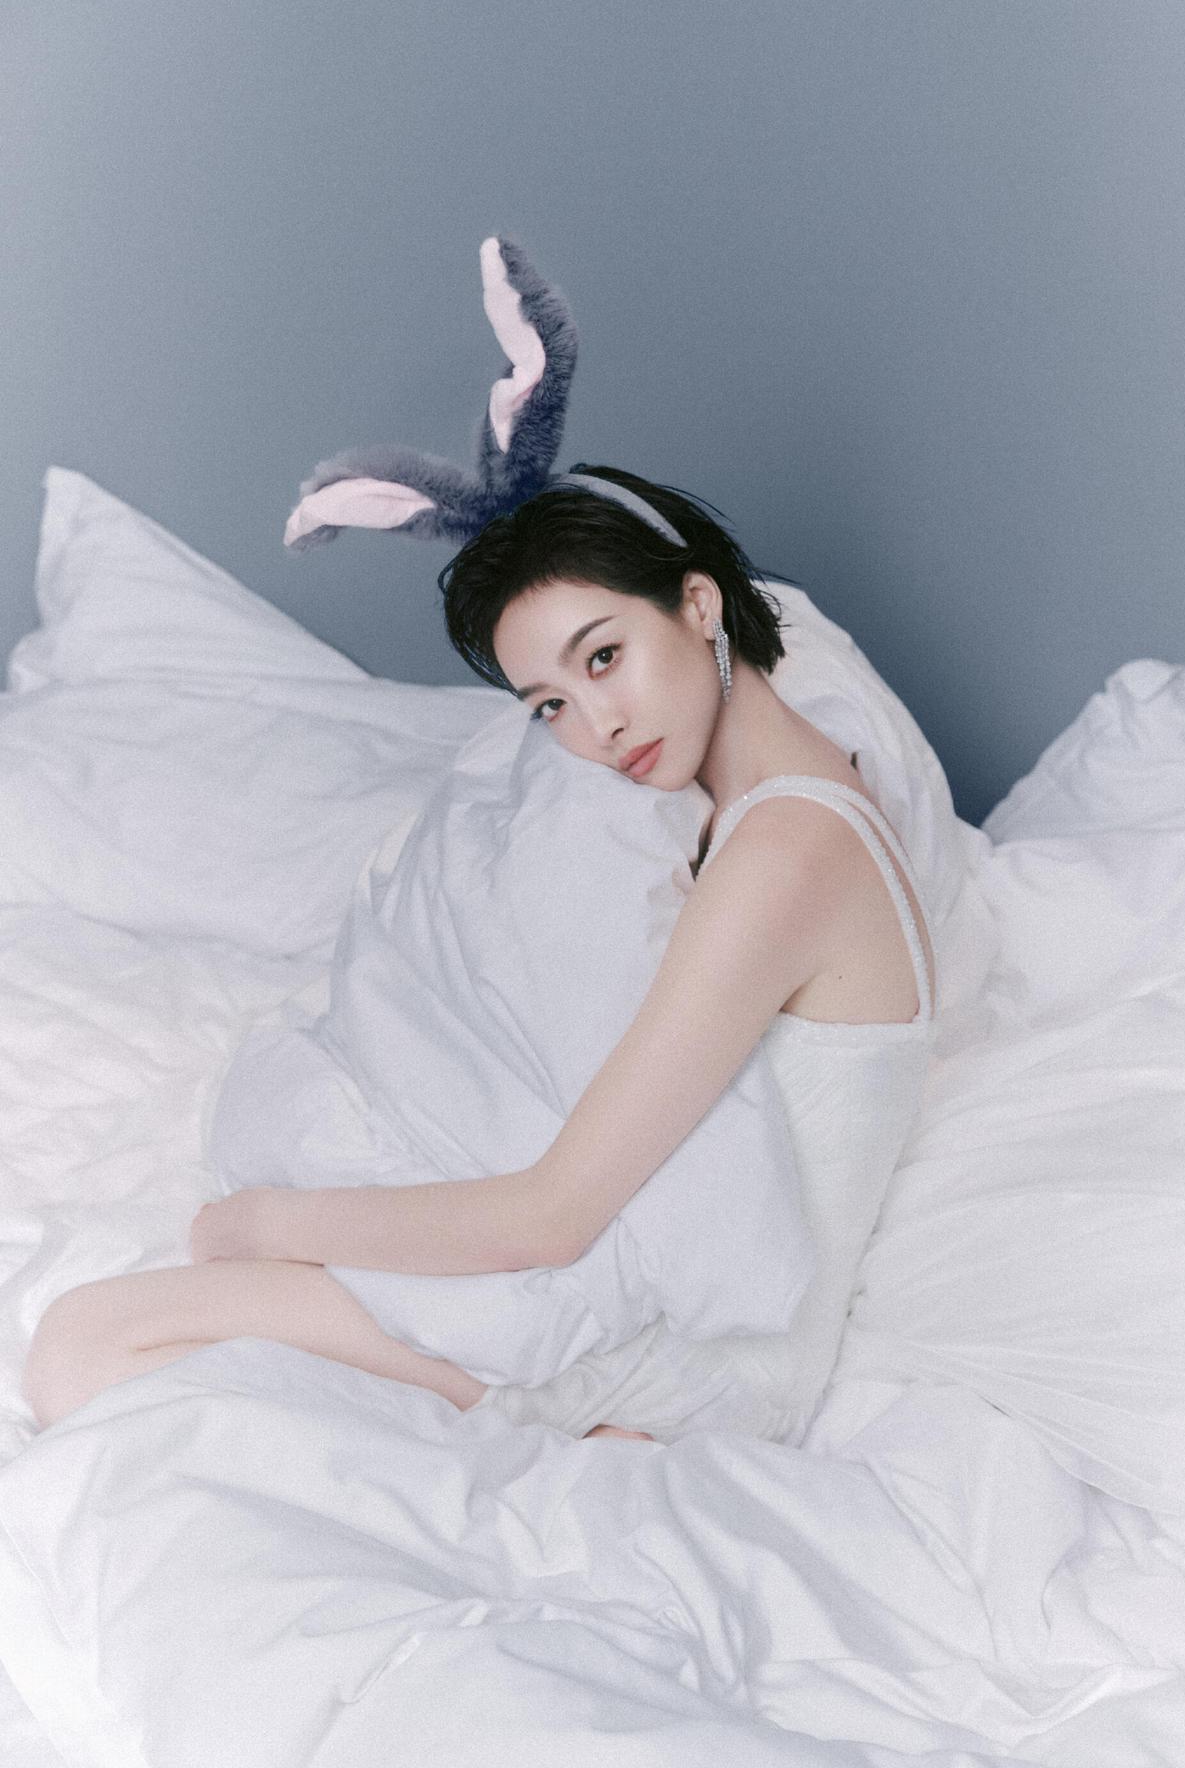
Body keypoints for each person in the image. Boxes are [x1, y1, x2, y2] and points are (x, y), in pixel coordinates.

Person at [22, 468, 937, 1444]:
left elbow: (550, 1218)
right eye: (548, 704)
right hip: (647, 1286)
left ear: (699, 604)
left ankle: (566, 1455)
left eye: (604, 657)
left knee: (84, 1345)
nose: (598, 728)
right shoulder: (781, 786)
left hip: (697, 1360)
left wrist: (266, 1224)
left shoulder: (786, 850)